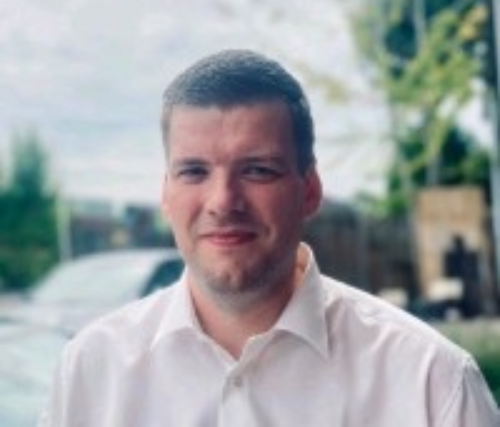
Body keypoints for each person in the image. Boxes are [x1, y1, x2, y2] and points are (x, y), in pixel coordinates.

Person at [40, 49, 499, 426]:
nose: (223, 201)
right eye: (194, 171)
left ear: (310, 190)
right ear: (166, 193)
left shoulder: (432, 383)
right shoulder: (90, 373)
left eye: (257, 170)